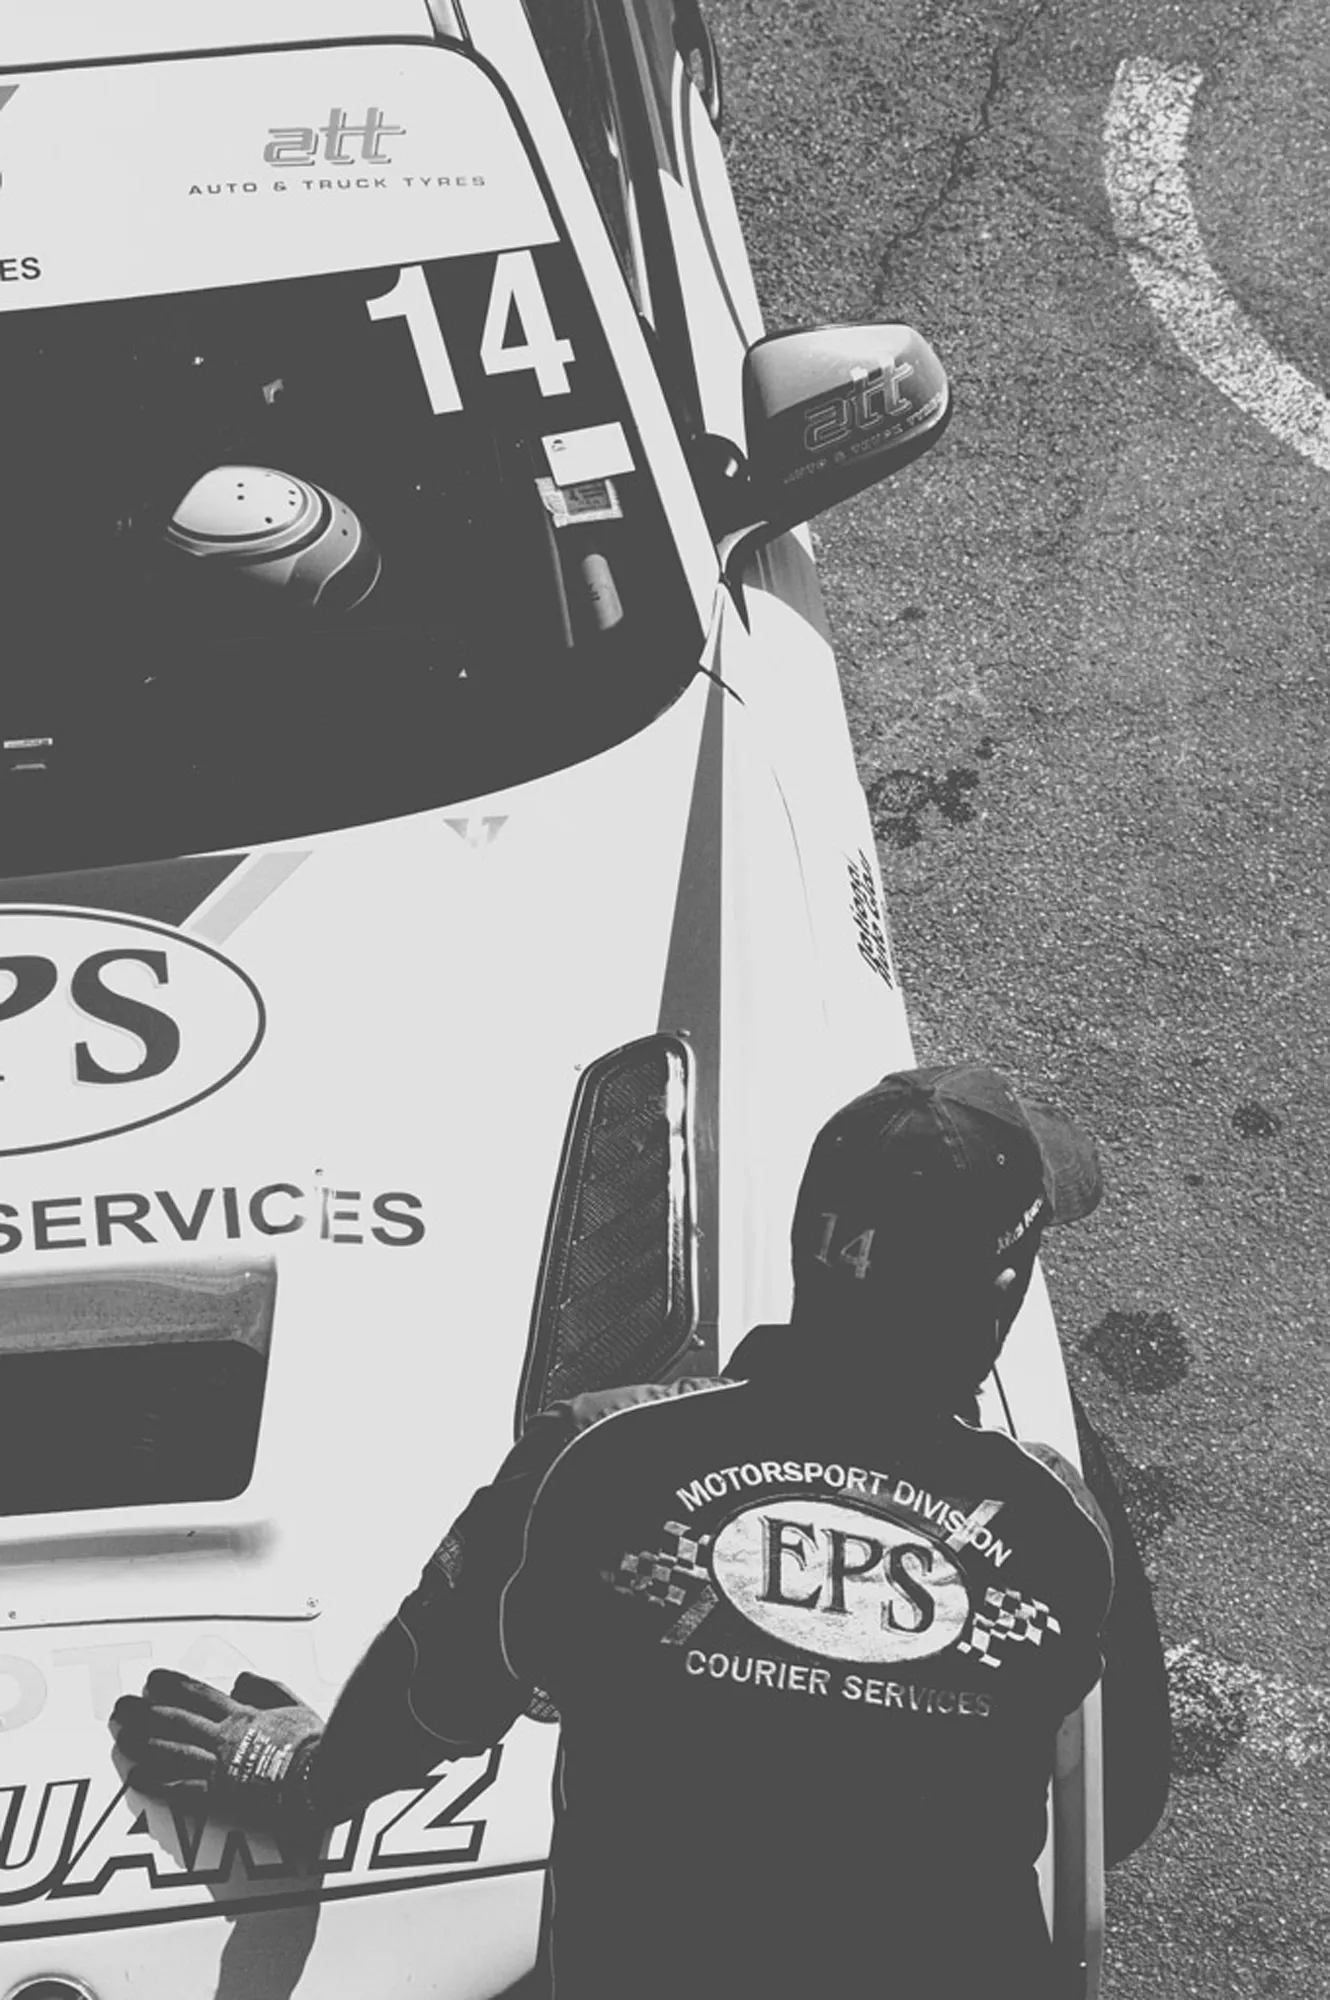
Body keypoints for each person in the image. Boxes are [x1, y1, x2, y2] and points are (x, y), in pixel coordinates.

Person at [112, 1062, 1168, 1999]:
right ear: (1000, 1292)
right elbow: (1124, 1798)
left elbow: (436, 1689)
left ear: (807, 1244)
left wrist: (305, 1777)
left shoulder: (598, 1456)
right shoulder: (1054, 1521)